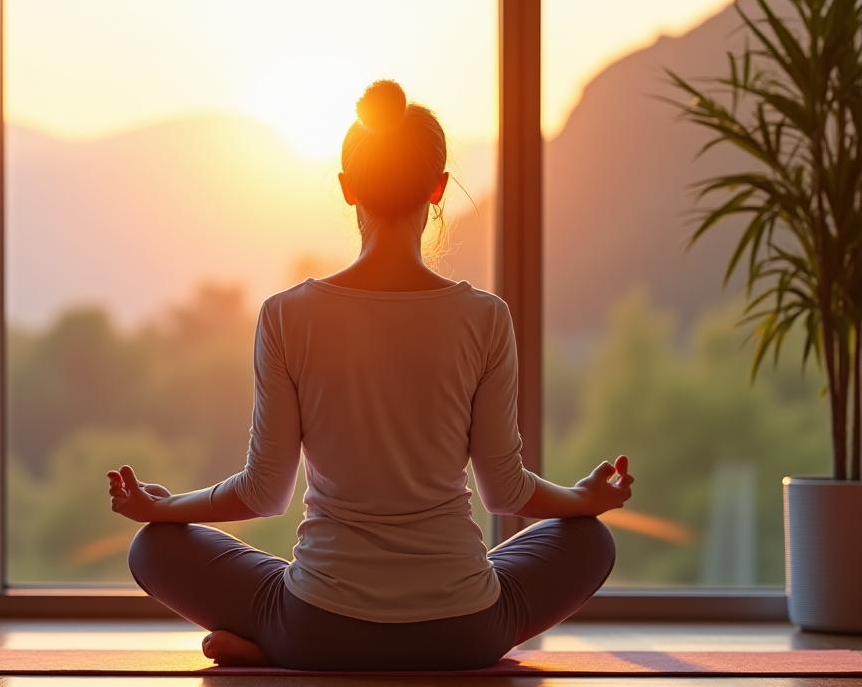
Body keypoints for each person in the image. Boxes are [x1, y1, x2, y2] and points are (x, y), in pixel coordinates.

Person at [105, 79, 633, 671]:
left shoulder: (287, 314)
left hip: (318, 627)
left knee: (154, 549)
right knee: (589, 539)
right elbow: (505, 491)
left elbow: (264, 493)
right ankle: (278, 638)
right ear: (437, 190)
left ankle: (270, 641)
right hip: (465, 633)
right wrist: (581, 499)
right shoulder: (485, 317)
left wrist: (167, 509)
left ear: (346, 187)